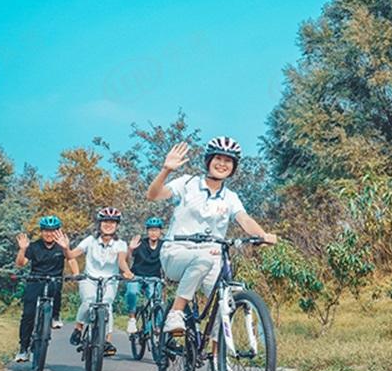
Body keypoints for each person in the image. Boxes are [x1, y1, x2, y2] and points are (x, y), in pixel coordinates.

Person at [146, 137, 277, 334]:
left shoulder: (231, 197)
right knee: (204, 259)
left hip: (212, 256)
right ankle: (176, 311)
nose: (222, 164)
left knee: (223, 303)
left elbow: (244, 219)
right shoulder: (187, 183)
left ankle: (219, 360)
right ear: (208, 160)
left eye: (228, 161)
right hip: (176, 253)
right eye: (218, 158)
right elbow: (153, 196)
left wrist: (263, 234)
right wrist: (166, 170)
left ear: (233, 167)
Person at [62, 207, 135, 356]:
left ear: (117, 226)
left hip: (109, 280)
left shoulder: (120, 244)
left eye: (112, 222)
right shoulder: (90, 240)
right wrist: (65, 248)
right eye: (105, 221)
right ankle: (78, 328)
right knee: (88, 301)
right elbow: (71, 255)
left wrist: (127, 271)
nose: (109, 225)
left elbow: (121, 260)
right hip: (90, 279)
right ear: (99, 224)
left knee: (107, 305)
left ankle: (107, 340)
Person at [12, 215, 79, 363]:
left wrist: (76, 274)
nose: (49, 234)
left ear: (58, 231)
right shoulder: (34, 246)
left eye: (53, 230)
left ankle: (55, 316)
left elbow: (71, 259)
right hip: (36, 280)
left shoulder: (61, 246)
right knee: (28, 315)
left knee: (57, 287)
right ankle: (23, 349)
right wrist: (22, 250)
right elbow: (20, 263)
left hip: (54, 279)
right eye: (46, 231)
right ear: (41, 232)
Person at [124, 216, 166, 333]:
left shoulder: (164, 245)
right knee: (131, 292)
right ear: (147, 231)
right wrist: (130, 249)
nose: (153, 233)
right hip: (136, 276)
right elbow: (126, 259)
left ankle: (154, 326)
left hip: (154, 277)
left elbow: (168, 260)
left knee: (156, 299)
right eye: (151, 230)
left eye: (156, 230)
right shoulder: (140, 243)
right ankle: (132, 319)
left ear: (160, 231)